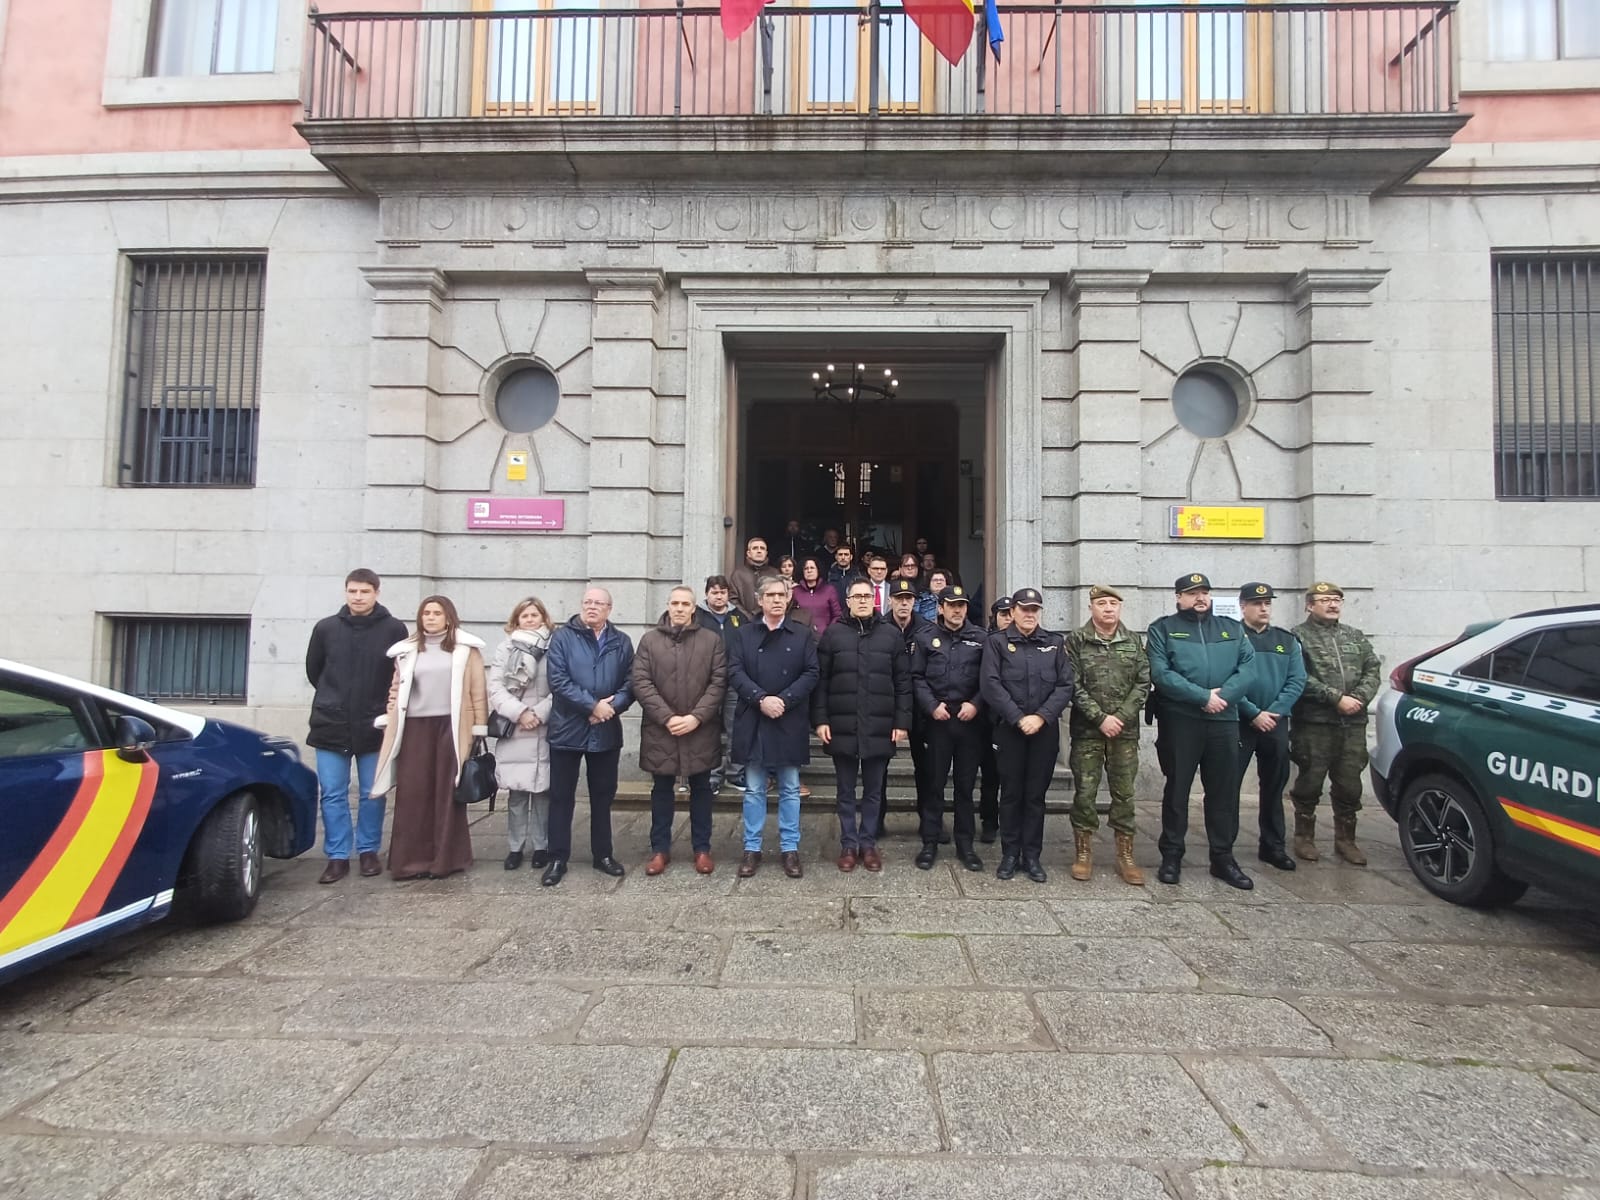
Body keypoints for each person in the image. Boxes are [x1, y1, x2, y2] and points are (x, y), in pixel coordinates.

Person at [1146, 572, 1256, 890]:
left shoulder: (1232, 629)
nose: (1200, 598)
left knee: (1223, 793)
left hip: (1224, 720)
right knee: (1177, 789)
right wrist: (1202, 696)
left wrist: (1223, 697)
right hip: (1181, 720)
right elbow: (1161, 673)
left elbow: (1247, 668)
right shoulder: (1163, 629)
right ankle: (1172, 855)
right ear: (1178, 597)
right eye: (1192, 593)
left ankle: (1223, 857)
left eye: (1204, 592)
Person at [305, 568, 408, 884]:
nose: (358, 597)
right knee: (333, 793)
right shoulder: (326, 628)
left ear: (376, 592)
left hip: (373, 724)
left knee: (371, 793)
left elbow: (399, 673)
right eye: (353, 591)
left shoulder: (394, 629)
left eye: (364, 591)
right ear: (345, 592)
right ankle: (337, 856)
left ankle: (368, 851)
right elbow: (315, 671)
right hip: (330, 723)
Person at [374, 595, 487, 881]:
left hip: (451, 727)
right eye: (426, 613)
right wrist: (390, 719)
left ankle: (445, 860)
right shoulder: (407, 651)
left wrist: (478, 728)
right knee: (413, 793)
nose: (431, 617)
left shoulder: (466, 650)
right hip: (414, 728)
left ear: (448, 617)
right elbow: (395, 691)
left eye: (437, 613)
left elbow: (477, 693)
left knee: (447, 793)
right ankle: (409, 861)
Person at [813, 579, 910, 872]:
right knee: (844, 791)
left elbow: (903, 684)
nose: (864, 600)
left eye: (868, 596)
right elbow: (821, 682)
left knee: (873, 791)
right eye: (858, 596)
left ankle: (868, 844)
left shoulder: (891, 636)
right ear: (848, 600)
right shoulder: (833, 634)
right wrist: (820, 720)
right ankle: (848, 843)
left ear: (876, 600)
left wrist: (902, 722)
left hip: (880, 725)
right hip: (842, 724)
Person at [543, 587, 635, 886]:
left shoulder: (621, 642)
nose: (591, 607)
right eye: (587, 602)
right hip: (567, 727)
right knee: (561, 797)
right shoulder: (562, 637)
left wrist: (612, 707)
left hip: (605, 729)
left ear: (609, 608)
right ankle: (557, 857)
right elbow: (558, 680)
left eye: (598, 603)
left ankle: (603, 854)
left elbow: (631, 682)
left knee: (602, 796)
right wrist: (592, 705)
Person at [980, 588, 1073, 883]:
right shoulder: (996, 643)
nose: (1029, 614)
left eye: (1035, 610)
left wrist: (1041, 717)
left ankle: (1032, 855)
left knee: (1035, 796)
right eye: (1024, 609)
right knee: (1010, 794)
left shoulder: (1055, 644)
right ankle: (1009, 854)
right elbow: (991, 684)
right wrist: (1019, 718)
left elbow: (1064, 686)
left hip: (1043, 732)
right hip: (1010, 730)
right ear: (1014, 612)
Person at [728, 577, 819, 879]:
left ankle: (789, 848)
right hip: (755, 718)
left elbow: (811, 672)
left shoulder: (802, 634)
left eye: (782, 595)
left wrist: (784, 700)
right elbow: (735, 671)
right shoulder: (744, 634)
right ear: (759, 600)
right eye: (771, 595)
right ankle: (751, 848)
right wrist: (761, 699)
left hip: (788, 718)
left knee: (790, 789)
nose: (777, 600)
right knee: (754, 790)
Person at [633, 586, 727, 876]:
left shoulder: (711, 640)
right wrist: (668, 717)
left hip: (700, 729)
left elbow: (718, 682)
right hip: (662, 731)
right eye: (675, 603)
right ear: (668, 606)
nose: (679, 608)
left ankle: (702, 849)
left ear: (693, 608)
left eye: (685, 603)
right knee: (661, 791)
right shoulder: (649, 641)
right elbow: (641, 682)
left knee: (702, 790)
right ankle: (660, 850)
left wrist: (696, 717)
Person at [1289, 581, 1382, 865]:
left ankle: (1346, 839)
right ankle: (1304, 836)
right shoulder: (1298, 637)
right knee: (1310, 781)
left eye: (1336, 600)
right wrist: (1335, 698)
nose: (1332, 604)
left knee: (1349, 784)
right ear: (1309, 605)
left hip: (1352, 723)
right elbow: (1299, 676)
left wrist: (1359, 698)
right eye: (1325, 599)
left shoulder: (1355, 636)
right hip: (1315, 723)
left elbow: (1373, 670)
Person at [1066, 585, 1151, 886]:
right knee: (1085, 793)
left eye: (1113, 603)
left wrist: (1120, 718)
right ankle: (1083, 852)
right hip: (1088, 731)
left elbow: (1143, 683)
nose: (1108, 608)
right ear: (1091, 608)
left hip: (1124, 733)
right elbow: (1072, 685)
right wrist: (1101, 718)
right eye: (1101, 603)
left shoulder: (1133, 641)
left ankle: (1125, 855)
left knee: (1124, 793)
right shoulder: (1076, 640)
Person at [911, 584, 988, 871]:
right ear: (940, 608)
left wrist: (976, 704)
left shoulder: (981, 638)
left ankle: (965, 846)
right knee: (933, 785)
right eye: (952, 605)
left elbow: (988, 679)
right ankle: (930, 842)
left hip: (969, 722)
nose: (957, 610)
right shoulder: (925, 637)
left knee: (965, 787)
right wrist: (931, 705)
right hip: (937, 722)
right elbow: (916, 677)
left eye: (962, 605)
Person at [1235, 583, 1307, 872]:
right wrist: (1252, 712)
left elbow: (1296, 680)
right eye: (1256, 603)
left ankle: (1273, 846)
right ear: (1243, 606)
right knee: (1229, 788)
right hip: (1240, 721)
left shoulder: (1286, 641)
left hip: (1275, 723)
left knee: (1274, 788)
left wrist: (1274, 712)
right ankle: (1224, 847)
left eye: (1267, 603)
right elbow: (1227, 679)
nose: (1263, 608)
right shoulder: (1231, 638)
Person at [487, 596, 555, 871]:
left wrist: (539, 713)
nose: (530, 619)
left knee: (541, 792)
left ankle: (541, 845)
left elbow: (559, 685)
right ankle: (515, 846)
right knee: (516, 793)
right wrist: (520, 713)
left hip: (543, 726)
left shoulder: (553, 647)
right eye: (524, 616)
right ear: (516, 620)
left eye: (534, 615)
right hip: (515, 727)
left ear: (543, 618)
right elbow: (496, 688)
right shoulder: (505, 648)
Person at [882, 576, 934, 837]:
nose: (904, 604)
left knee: (925, 768)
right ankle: (876, 820)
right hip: (886, 706)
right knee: (878, 767)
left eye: (908, 599)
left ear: (914, 602)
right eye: (899, 599)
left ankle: (928, 821)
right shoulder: (879, 626)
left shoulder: (926, 629)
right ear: (890, 600)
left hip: (919, 708)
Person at [697, 574, 745, 793]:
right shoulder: (696, 616)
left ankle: (735, 773)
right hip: (706, 683)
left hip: (734, 681)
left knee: (737, 728)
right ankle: (712, 775)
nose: (719, 596)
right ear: (707, 594)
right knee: (709, 730)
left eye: (722, 592)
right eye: (714, 592)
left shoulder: (739, 617)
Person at [977, 595, 1013, 844]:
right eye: (1003, 615)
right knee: (989, 775)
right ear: (995, 617)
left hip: (1013, 720)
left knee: (1009, 777)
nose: (1008, 619)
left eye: (1012, 614)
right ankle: (989, 820)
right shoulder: (985, 642)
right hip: (987, 721)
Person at [792, 555, 843, 636]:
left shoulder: (829, 590)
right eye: (806, 568)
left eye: (812, 568)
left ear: (818, 570)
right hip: (801, 636)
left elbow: (837, 615)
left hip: (825, 636)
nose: (809, 571)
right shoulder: (794, 591)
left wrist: (829, 631)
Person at [729, 536, 772, 618]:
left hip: (771, 620)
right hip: (745, 622)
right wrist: (748, 617)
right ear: (748, 553)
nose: (759, 551)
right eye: (755, 548)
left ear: (766, 553)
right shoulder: (738, 574)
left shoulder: (774, 573)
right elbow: (733, 600)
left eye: (762, 548)